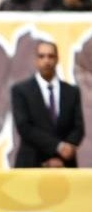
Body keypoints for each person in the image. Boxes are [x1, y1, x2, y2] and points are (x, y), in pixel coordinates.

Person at [11, 40, 84, 168]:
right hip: (31, 164)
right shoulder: (21, 90)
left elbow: (78, 127)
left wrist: (64, 152)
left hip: (64, 165)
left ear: (57, 59)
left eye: (51, 56)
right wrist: (58, 147)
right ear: (36, 60)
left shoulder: (72, 92)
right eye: (42, 56)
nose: (46, 61)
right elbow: (24, 127)